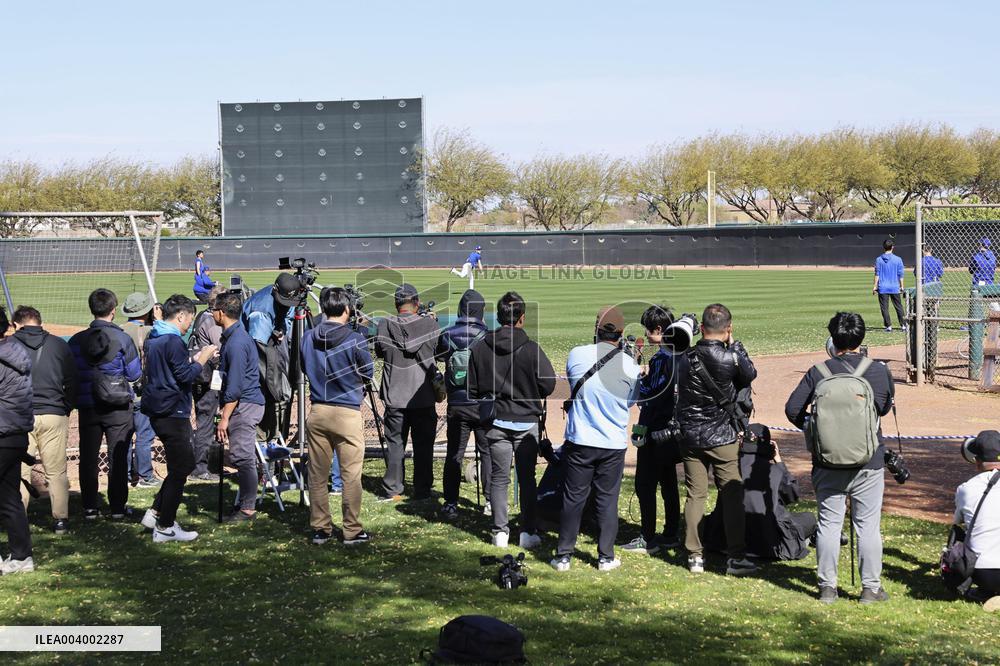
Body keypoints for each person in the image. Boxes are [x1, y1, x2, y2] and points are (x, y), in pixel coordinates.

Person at [785, 311, 894, 604]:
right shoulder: (878, 371)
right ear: (861, 338)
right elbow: (883, 408)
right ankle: (870, 588)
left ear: (833, 338)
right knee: (867, 526)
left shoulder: (818, 370)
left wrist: (818, 428)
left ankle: (827, 588)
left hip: (827, 461)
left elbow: (792, 409)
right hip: (868, 461)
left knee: (830, 523)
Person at [551, 306, 641, 572]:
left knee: (573, 497)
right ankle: (605, 556)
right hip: (612, 443)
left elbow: (573, 379)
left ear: (596, 329)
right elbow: (631, 401)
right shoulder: (630, 364)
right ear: (622, 334)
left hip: (580, 439)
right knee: (607, 500)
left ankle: (564, 555)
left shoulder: (577, 354)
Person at [468, 291, 556, 549]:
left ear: (497, 317)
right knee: (526, 478)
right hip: (526, 422)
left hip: (495, 422)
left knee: (499, 478)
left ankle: (500, 533)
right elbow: (548, 385)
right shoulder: (531, 349)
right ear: (522, 318)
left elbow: (472, 389)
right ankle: (527, 532)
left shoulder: (481, 347)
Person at [676, 303, 758, 576]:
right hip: (722, 435)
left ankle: (695, 556)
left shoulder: (685, 357)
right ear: (728, 328)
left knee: (695, 495)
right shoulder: (730, 357)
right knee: (732, 495)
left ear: (701, 328)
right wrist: (736, 345)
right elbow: (749, 374)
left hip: (691, 435)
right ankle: (735, 556)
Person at [140, 295, 217, 542]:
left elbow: (173, 367)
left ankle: (156, 513)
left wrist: (191, 360)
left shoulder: (156, 338)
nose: (190, 324)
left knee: (179, 466)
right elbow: (184, 376)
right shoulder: (172, 341)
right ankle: (165, 525)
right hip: (172, 411)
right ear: (181, 316)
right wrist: (202, 359)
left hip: (160, 409)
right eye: (190, 318)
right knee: (182, 467)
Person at [301, 287, 374, 545]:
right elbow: (368, 371)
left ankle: (321, 528)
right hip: (347, 412)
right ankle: (352, 530)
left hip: (318, 410)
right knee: (351, 475)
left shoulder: (307, 337)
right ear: (347, 310)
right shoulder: (355, 339)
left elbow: (303, 366)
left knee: (317, 475)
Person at [69, 288, 143, 520]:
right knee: (118, 456)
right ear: (113, 311)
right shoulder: (122, 338)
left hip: (89, 405)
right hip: (117, 405)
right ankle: (118, 508)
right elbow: (134, 374)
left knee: (88, 457)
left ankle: (90, 506)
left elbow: (70, 373)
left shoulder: (76, 340)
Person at [704, 424, 816, 561]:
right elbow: (792, 495)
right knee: (809, 518)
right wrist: (779, 462)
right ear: (769, 447)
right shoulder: (775, 471)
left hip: (724, 540)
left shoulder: (727, 470)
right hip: (766, 543)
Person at [12, 306, 77, 535]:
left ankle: (19, 518)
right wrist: (65, 407)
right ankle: (61, 520)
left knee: (20, 471)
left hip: (20, 416)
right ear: (40, 322)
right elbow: (71, 380)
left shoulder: (10, 345)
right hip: (53, 413)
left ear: (16, 325)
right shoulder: (59, 344)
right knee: (56, 471)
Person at [621, 305, 681, 555]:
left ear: (658, 330)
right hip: (672, 430)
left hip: (655, 428)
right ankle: (670, 534)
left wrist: (638, 374)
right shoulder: (679, 354)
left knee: (645, 484)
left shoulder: (662, 357)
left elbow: (649, 394)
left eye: (649, 329)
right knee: (669, 484)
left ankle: (647, 538)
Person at [374, 283, 441, 502]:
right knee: (424, 446)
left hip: (396, 394)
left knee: (395, 445)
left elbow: (380, 351)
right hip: (423, 395)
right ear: (417, 302)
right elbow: (437, 352)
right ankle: (422, 490)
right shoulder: (429, 324)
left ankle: (393, 488)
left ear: (396, 304)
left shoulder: (385, 324)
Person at [435, 289, 492, 520]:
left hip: (457, 403)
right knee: (487, 453)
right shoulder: (489, 336)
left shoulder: (448, 334)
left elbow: (439, 356)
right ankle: (490, 501)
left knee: (454, 455)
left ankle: (450, 502)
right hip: (482, 404)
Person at [214, 293, 267, 522]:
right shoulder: (234, 337)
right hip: (242, 403)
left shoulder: (236, 342)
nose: (212, 313)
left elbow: (235, 386)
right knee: (240, 455)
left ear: (222, 313)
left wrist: (225, 417)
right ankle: (245, 503)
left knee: (242, 456)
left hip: (244, 405)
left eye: (214, 309)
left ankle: (247, 508)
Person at [242, 272, 299, 441]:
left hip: (271, 343)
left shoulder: (286, 296)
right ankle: (263, 446)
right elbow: (260, 354)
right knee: (271, 394)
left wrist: (281, 330)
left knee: (280, 393)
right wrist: (276, 390)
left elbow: (288, 315)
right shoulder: (260, 311)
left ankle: (275, 441)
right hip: (256, 350)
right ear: (275, 291)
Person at [0, 306, 35, 573]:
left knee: (9, 496)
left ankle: (21, 556)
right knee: (8, 496)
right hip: (16, 436)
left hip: (4, 435)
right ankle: (21, 557)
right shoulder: (17, 352)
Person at [953, 430, 1000, 609]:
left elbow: (957, 523)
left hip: (982, 572)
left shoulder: (966, 488)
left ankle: (987, 591)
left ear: (977, 460)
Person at [119, 292, 161, 488]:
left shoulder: (119, 331)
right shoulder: (153, 330)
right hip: (145, 391)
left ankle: (125, 474)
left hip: (121, 391)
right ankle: (145, 475)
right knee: (144, 435)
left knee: (126, 436)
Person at [189, 285, 227, 481]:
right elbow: (221, 347)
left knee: (207, 420)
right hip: (207, 379)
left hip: (205, 377)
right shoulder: (211, 321)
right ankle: (200, 468)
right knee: (205, 421)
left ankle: (209, 464)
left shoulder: (203, 316)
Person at [873, 238, 905, 332]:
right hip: (894, 286)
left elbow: (877, 274)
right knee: (899, 306)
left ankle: (888, 326)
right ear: (892, 247)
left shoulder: (878, 259)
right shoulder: (898, 259)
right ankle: (903, 325)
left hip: (883, 287)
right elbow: (901, 274)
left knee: (884, 308)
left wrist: (875, 286)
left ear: (883, 247)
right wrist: (902, 286)